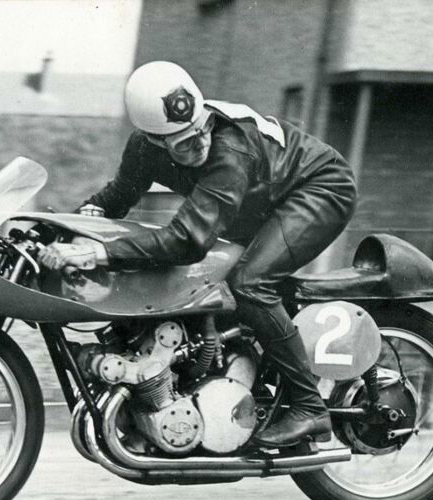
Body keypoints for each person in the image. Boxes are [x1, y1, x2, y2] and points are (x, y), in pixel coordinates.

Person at [38, 61, 357, 447]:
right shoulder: (144, 148)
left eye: (202, 129)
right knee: (205, 287)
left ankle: (310, 407)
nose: (200, 143)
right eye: (185, 143)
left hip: (316, 189)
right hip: (256, 202)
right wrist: (71, 229)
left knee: (250, 284)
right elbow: (117, 197)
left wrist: (97, 255)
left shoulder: (228, 149)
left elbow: (187, 241)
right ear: (155, 141)